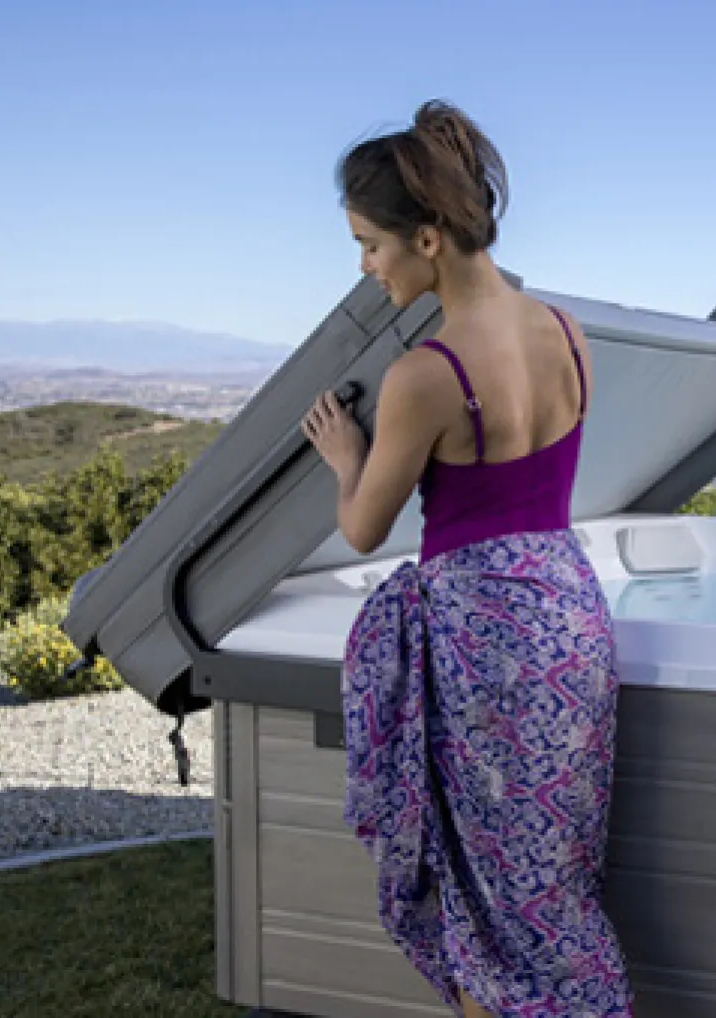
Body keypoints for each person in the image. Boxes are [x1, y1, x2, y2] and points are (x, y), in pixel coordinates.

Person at [300, 99, 635, 1018]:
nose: (367, 267)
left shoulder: (424, 376)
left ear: (431, 236)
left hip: (485, 646)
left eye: (372, 244)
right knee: (554, 883)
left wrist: (346, 460)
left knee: (482, 896)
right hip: (569, 621)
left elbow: (366, 528)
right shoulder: (567, 334)